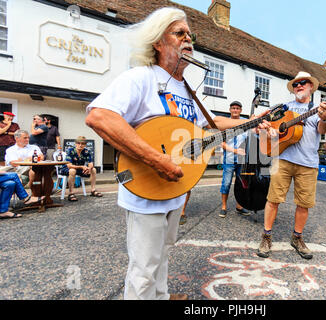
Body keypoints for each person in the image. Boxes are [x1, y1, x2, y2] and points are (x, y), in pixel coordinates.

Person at [85, 7, 270, 300]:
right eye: (179, 33)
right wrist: (156, 159)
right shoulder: (140, 78)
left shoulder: (186, 89)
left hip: (175, 189)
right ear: (158, 42)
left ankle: (161, 296)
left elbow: (213, 123)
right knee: (143, 267)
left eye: (190, 35)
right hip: (146, 190)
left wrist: (256, 121)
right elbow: (100, 117)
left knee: (163, 255)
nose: (189, 40)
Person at [256, 71, 326, 260]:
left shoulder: (318, 108)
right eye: (296, 84)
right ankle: (266, 236)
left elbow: (324, 130)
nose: (299, 86)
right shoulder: (283, 108)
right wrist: (271, 130)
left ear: (311, 87)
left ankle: (297, 238)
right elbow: (265, 125)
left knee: (303, 204)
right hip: (283, 159)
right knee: (273, 199)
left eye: (304, 83)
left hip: (308, 163)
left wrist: (325, 118)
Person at [219, 101, 249, 218]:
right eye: (233, 108)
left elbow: (249, 138)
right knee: (226, 183)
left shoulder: (245, 122)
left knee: (241, 184)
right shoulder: (225, 123)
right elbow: (222, 143)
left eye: (237, 108)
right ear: (230, 110)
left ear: (240, 110)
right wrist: (236, 151)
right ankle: (224, 207)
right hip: (229, 160)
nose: (235, 110)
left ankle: (239, 206)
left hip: (242, 160)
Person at [59, 136, 102, 202]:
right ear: (75, 143)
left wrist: (89, 169)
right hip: (67, 168)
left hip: (79, 169)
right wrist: (82, 167)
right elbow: (69, 165)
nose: (80, 145)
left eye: (82, 144)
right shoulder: (71, 150)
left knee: (94, 169)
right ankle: (71, 193)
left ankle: (93, 190)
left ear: (85, 145)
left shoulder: (86, 151)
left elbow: (91, 163)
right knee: (72, 171)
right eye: (78, 143)